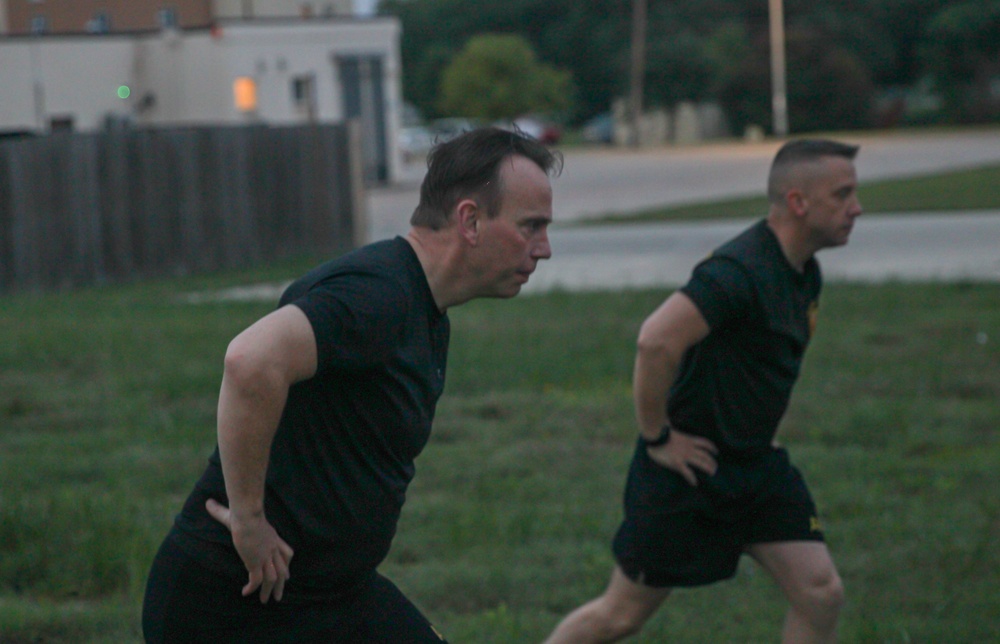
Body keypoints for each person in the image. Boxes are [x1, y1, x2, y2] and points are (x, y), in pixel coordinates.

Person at [142, 127, 561, 643]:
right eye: (531, 227)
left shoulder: (423, 306)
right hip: (232, 603)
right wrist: (249, 520)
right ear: (470, 220)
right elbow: (250, 360)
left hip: (332, 592)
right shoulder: (378, 295)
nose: (543, 249)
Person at [545, 139, 862, 644]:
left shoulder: (804, 273)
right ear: (799, 202)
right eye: (842, 194)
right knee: (620, 616)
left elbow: (763, 368)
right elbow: (655, 342)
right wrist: (657, 438)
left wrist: (761, 432)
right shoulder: (737, 272)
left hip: (755, 466)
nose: (856, 207)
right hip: (690, 469)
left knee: (820, 592)